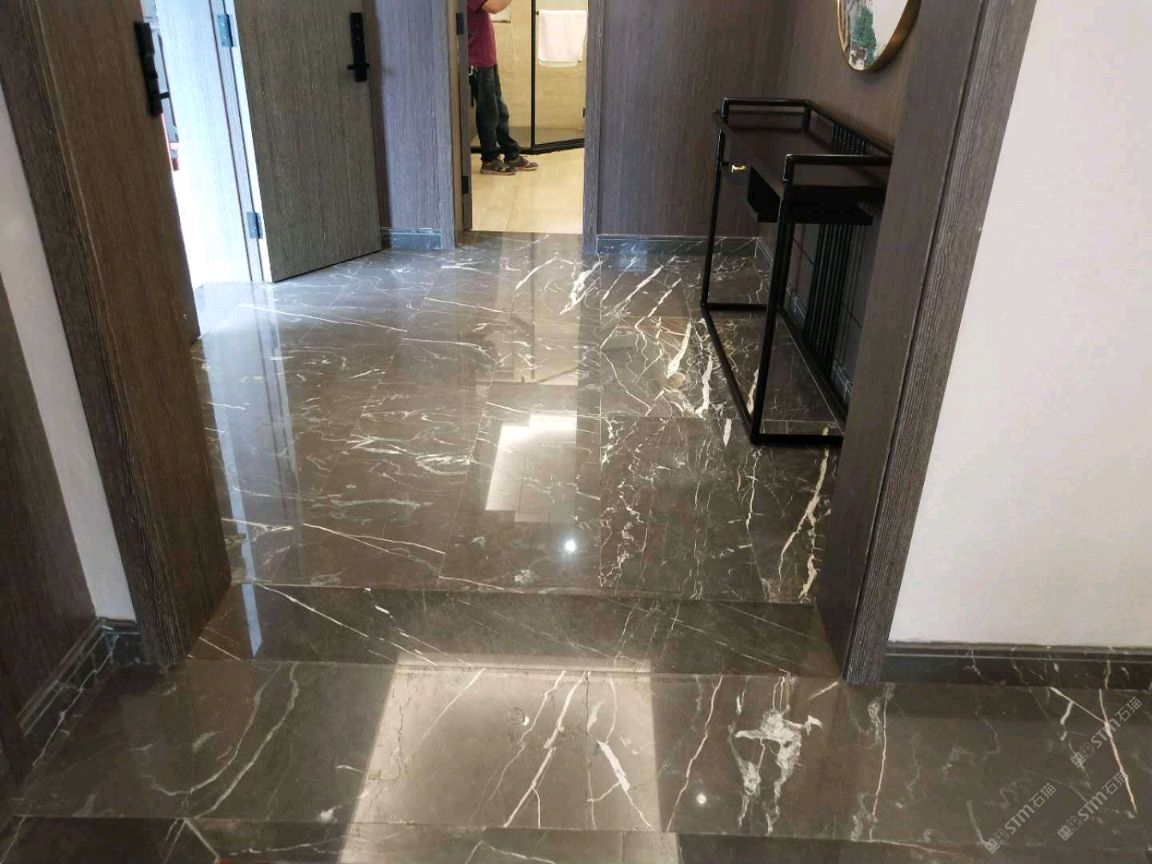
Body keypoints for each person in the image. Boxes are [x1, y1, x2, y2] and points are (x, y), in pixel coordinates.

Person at [467, 0, 538, 175]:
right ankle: (490, 159)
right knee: (488, 112)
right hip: (476, 58)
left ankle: (511, 154)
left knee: (500, 110)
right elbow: (494, 7)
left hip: (486, 56)